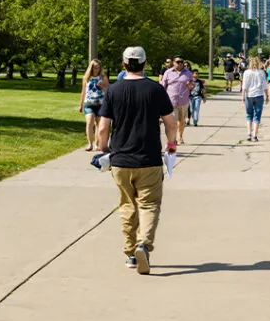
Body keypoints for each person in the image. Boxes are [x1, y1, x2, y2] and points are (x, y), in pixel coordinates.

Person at [96, 46, 177, 275]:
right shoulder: (155, 89)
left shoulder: (113, 91)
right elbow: (170, 123)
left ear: (124, 64)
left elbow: (103, 127)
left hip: (121, 159)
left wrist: (104, 150)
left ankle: (130, 253)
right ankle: (144, 244)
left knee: (126, 205)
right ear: (145, 63)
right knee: (149, 204)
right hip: (149, 157)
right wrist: (171, 145)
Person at [159, 56, 193, 145]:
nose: (180, 63)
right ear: (173, 63)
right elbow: (163, 85)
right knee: (172, 122)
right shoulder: (168, 72)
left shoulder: (188, 73)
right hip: (171, 101)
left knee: (181, 121)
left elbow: (192, 87)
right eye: (178, 62)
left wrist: (190, 85)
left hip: (184, 101)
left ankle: (180, 137)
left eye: (181, 62)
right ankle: (172, 139)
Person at [80, 59, 109, 151]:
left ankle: (97, 144)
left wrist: (103, 86)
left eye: (98, 68)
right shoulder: (86, 78)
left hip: (100, 103)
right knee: (89, 122)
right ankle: (89, 144)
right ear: (91, 68)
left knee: (98, 124)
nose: (96, 69)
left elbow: (108, 91)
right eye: (94, 68)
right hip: (88, 103)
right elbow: (83, 91)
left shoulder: (103, 77)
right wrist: (81, 105)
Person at [241, 57, 269, 142]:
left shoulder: (246, 72)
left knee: (249, 114)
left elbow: (244, 85)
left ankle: (249, 133)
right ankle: (255, 135)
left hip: (249, 95)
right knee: (257, 115)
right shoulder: (261, 72)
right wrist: (267, 95)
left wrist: (242, 96)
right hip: (259, 95)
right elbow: (264, 85)